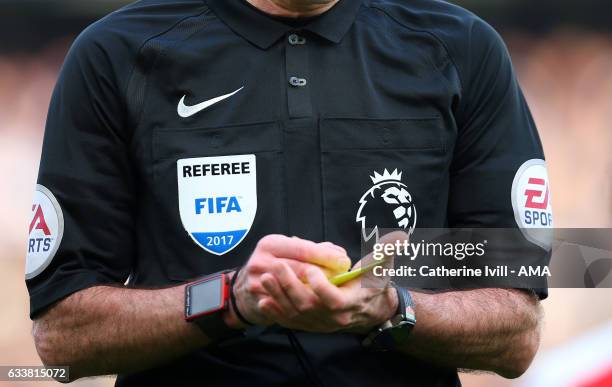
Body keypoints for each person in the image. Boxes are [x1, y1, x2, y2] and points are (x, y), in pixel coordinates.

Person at [26, 0, 551, 385]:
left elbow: (516, 329)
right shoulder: (114, 54)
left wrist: (392, 307)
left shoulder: (463, 49)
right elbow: (61, 337)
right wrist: (230, 300)